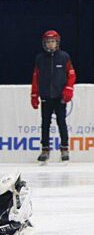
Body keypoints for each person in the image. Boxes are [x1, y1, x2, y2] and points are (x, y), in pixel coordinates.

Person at [31, 30, 76, 163]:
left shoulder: (64, 57)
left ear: (57, 43)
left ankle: (64, 148)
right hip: (46, 96)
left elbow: (72, 75)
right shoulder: (40, 59)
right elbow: (35, 77)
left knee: (61, 122)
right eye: (48, 42)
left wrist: (68, 90)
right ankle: (45, 149)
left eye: (53, 41)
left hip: (60, 96)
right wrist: (34, 94)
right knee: (45, 123)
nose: (51, 44)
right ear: (44, 43)